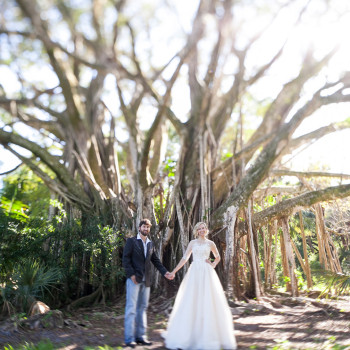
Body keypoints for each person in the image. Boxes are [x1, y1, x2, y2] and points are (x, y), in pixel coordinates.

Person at [163, 222, 237, 350]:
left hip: (207, 273)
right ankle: (189, 335)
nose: (202, 230)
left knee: (208, 300)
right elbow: (185, 258)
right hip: (195, 272)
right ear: (197, 231)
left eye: (204, 228)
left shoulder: (211, 243)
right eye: (199, 228)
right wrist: (174, 271)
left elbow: (218, 257)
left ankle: (208, 335)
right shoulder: (192, 243)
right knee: (192, 300)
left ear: (206, 230)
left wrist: (212, 263)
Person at [122, 218, 173, 348]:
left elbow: (155, 260)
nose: (146, 229)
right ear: (139, 228)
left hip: (147, 281)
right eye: (144, 227)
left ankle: (141, 337)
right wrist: (131, 274)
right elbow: (125, 260)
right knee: (131, 309)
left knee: (142, 308)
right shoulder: (131, 241)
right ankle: (129, 339)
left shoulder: (150, 244)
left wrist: (165, 272)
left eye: (148, 227)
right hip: (134, 279)